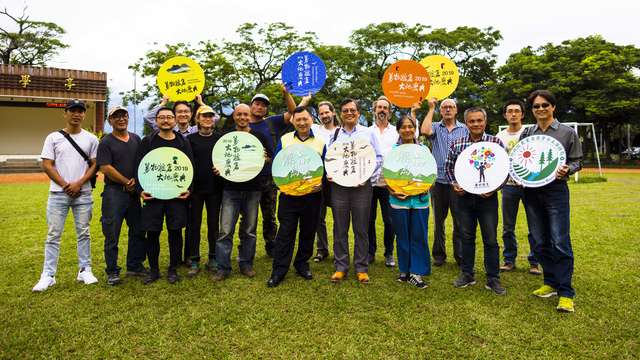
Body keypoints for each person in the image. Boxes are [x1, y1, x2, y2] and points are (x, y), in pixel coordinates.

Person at [522, 90, 582, 313]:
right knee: (538, 240)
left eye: (544, 105)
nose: (540, 109)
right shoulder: (528, 132)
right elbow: (521, 159)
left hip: (556, 191)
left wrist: (569, 168)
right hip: (531, 192)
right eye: (536, 106)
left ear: (553, 107)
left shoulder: (567, 133)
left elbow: (577, 161)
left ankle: (566, 292)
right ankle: (550, 282)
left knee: (559, 240)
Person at [33, 99, 99, 292]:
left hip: (83, 193)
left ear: (84, 114)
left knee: (84, 233)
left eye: (80, 111)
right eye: (72, 111)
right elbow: (47, 164)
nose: (76, 114)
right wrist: (65, 184)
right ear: (65, 113)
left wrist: (79, 183)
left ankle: (85, 270)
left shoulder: (91, 139)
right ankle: (48, 275)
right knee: (53, 234)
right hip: (58, 193)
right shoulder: (53, 137)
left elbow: (95, 164)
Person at [445, 107, 506, 295]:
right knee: (466, 237)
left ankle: (493, 278)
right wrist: (454, 184)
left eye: (479, 120)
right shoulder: (457, 144)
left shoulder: (495, 143)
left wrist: (494, 188)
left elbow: (505, 170)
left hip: (487, 199)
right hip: (463, 199)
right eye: (472, 121)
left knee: (490, 238)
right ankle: (467, 274)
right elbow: (448, 168)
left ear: (485, 122)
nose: (476, 124)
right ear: (467, 123)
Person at [212, 104, 272, 281]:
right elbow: (219, 159)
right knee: (225, 230)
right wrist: (218, 169)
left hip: (253, 189)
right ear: (234, 116)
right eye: (239, 114)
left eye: (245, 114)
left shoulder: (259, 136)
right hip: (230, 189)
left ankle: (246, 263)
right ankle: (223, 267)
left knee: (249, 230)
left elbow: (270, 157)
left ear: (249, 116)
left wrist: (264, 158)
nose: (242, 117)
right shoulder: (226, 137)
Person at [267, 106, 326, 287]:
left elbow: (326, 168)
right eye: (298, 119)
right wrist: (281, 184)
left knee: (308, 232)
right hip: (289, 196)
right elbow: (276, 165)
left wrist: (321, 183)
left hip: (312, 196)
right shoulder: (285, 139)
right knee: (285, 233)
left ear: (311, 120)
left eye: (305, 119)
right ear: (293, 121)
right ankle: (279, 270)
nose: (302, 122)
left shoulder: (321, 142)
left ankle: (302, 264)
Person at [135, 107, 194, 285]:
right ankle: (154, 270)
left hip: (176, 196)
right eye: (162, 117)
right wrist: (140, 190)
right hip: (153, 195)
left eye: (169, 117)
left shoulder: (183, 142)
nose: (166, 120)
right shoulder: (147, 141)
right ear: (157, 120)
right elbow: (138, 167)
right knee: (152, 233)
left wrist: (189, 189)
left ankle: (173, 269)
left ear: (175, 120)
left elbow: (191, 166)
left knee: (175, 232)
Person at [328, 98, 383, 284]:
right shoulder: (335, 135)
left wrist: (368, 177)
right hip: (339, 188)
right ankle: (341, 266)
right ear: (340, 114)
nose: (349, 113)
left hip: (362, 188)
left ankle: (361, 267)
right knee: (340, 228)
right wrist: (330, 173)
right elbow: (330, 159)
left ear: (359, 113)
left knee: (361, 228)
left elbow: (379, 158)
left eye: (353, 110)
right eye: (345, 110)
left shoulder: (368, 133)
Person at [97, 105, 147, 286]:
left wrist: (136, 182)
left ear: (127, 117)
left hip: (134, 194)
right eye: (116, 116)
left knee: (138, 230)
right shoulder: (106, 142)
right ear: (110, 121)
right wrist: (126, 182)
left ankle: (134, 265)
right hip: (114, 194)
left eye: (123, 115)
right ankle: (112, 271)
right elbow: (105, 167)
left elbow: (142, 162)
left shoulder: (135, 138)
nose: (121, 119)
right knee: (112, 233)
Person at [247, 88, 298, 257]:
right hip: (248, 178)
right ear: (251, 105)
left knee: (269, 215)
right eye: (257, 104)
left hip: (268, 177)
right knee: (248, 216)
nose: (260, 107)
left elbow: (293, 112)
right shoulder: (242, 124)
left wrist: (286, 94)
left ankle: (271, 246)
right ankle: (247, 248)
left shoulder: (271, 122)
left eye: (263, 105)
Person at [419, 97, 468, 267]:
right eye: (444, 107)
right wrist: (431, 108)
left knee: (459, 221)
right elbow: (424, 131)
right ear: (441, 111)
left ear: (456, 110)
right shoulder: (435, 127)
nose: (448, 109)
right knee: (438, 221)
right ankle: (439, 255)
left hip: (458, 181)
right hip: (438, 181)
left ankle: (460, 255)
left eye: (451, 107)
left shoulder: (465, 129)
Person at [495, 100, 541, 275]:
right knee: (508, 226)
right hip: (508, 186)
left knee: (534, 225)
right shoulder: (499, 137)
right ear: (505, 115)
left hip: (530, 186)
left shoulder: (531, 132)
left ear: (522, 114)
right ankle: (509, 260)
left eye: (516, 111)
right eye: (510, 111)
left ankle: (535, 262)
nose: (513, 114)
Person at [388, 115, 431, 289]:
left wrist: (419, 188)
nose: (407, 130)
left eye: (410, 126)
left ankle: (416, 272)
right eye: (403, 127)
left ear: (415, 129)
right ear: (398, 130)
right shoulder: (393, 151)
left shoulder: (424, 150)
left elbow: (430, 176)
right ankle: (404, 270)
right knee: (402, 235)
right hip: (398, 201)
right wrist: (395, 191)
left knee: (419, 235)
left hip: (420, 201)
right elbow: (387, 176)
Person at [186, 105, 223, 277]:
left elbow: (227, 161)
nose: (208, 119)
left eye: (210, 116)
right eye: (204, 116)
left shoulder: (221, 139)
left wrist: (222, 170)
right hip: (195, 190)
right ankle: (194, 259)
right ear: (197, 119)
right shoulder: (189, 139)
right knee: (194, 224)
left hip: (215, 189)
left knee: (214, 225)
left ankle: (213, 258)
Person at [368, 96, 398, 267]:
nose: (382, 110)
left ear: (390, 112)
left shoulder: (395, 132)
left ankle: (389, 253)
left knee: (390, 221)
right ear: (374, 110)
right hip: (369, 183)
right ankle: (370, 252)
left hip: (389, 184)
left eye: (385, 108)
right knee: (369, 220)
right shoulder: (366, 131)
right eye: (379, 107)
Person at [311, 101, 340, 263]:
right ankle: (322, 249)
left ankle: (338, 251)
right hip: (319, 176)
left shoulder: (341, 131)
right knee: (318, 216)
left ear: (333, 113)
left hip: (337, 179)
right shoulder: (314, 129)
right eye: (321, 113)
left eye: (326, 112)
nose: (324, 116)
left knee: (338, 216)